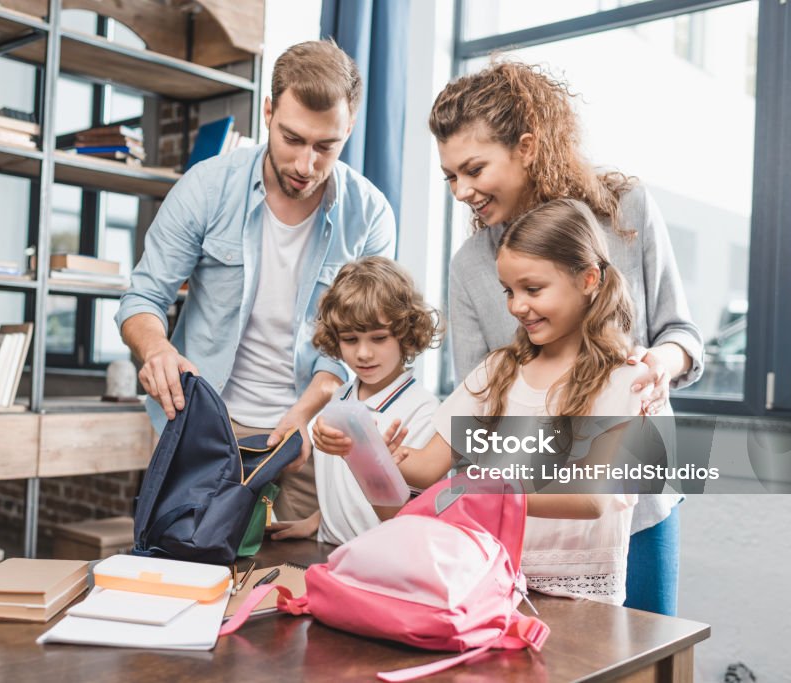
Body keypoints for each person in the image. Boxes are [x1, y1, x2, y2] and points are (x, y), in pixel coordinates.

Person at [429, 60, 700, 615]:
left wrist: (661, 364)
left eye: (473, 169)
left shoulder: (627, 211)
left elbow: (682, 334)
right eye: (450, 176)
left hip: (639, 502)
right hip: (534, 523)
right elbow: (481, 415)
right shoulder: (471, 266)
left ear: (527, 146)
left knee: (648, 658)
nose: (461, 191)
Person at [116, 40, 396, 523]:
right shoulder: (205, 187)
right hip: (202, 425)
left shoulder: (370, 214)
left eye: (326, 146)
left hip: (311, 430)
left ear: (348, 128)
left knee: (294, 582)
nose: (306, 165)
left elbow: (353, 345)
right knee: (186, 566)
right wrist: (157, 351)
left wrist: (306, 415)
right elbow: (143, 297)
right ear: (268, 112)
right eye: (292, 139)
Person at [398, 199, 654, 605]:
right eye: (509, 291)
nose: (517, 306)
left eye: (532, 289)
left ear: (588, 279)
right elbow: (427, 468)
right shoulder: (498, 370)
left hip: (582, 607)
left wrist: (483, 489)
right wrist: (368, 450)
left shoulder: (626, 380)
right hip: (493, 586)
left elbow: (590, 499)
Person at [270, 256, 442, 544]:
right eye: (350, 339)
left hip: (381, 558)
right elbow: (344, 487)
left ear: (406, 334)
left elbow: (409, 512)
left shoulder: (423, 409)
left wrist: (367, 451)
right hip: (327, 548)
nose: (363, 353)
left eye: (378, 338)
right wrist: (317, 521)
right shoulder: (340, 396)